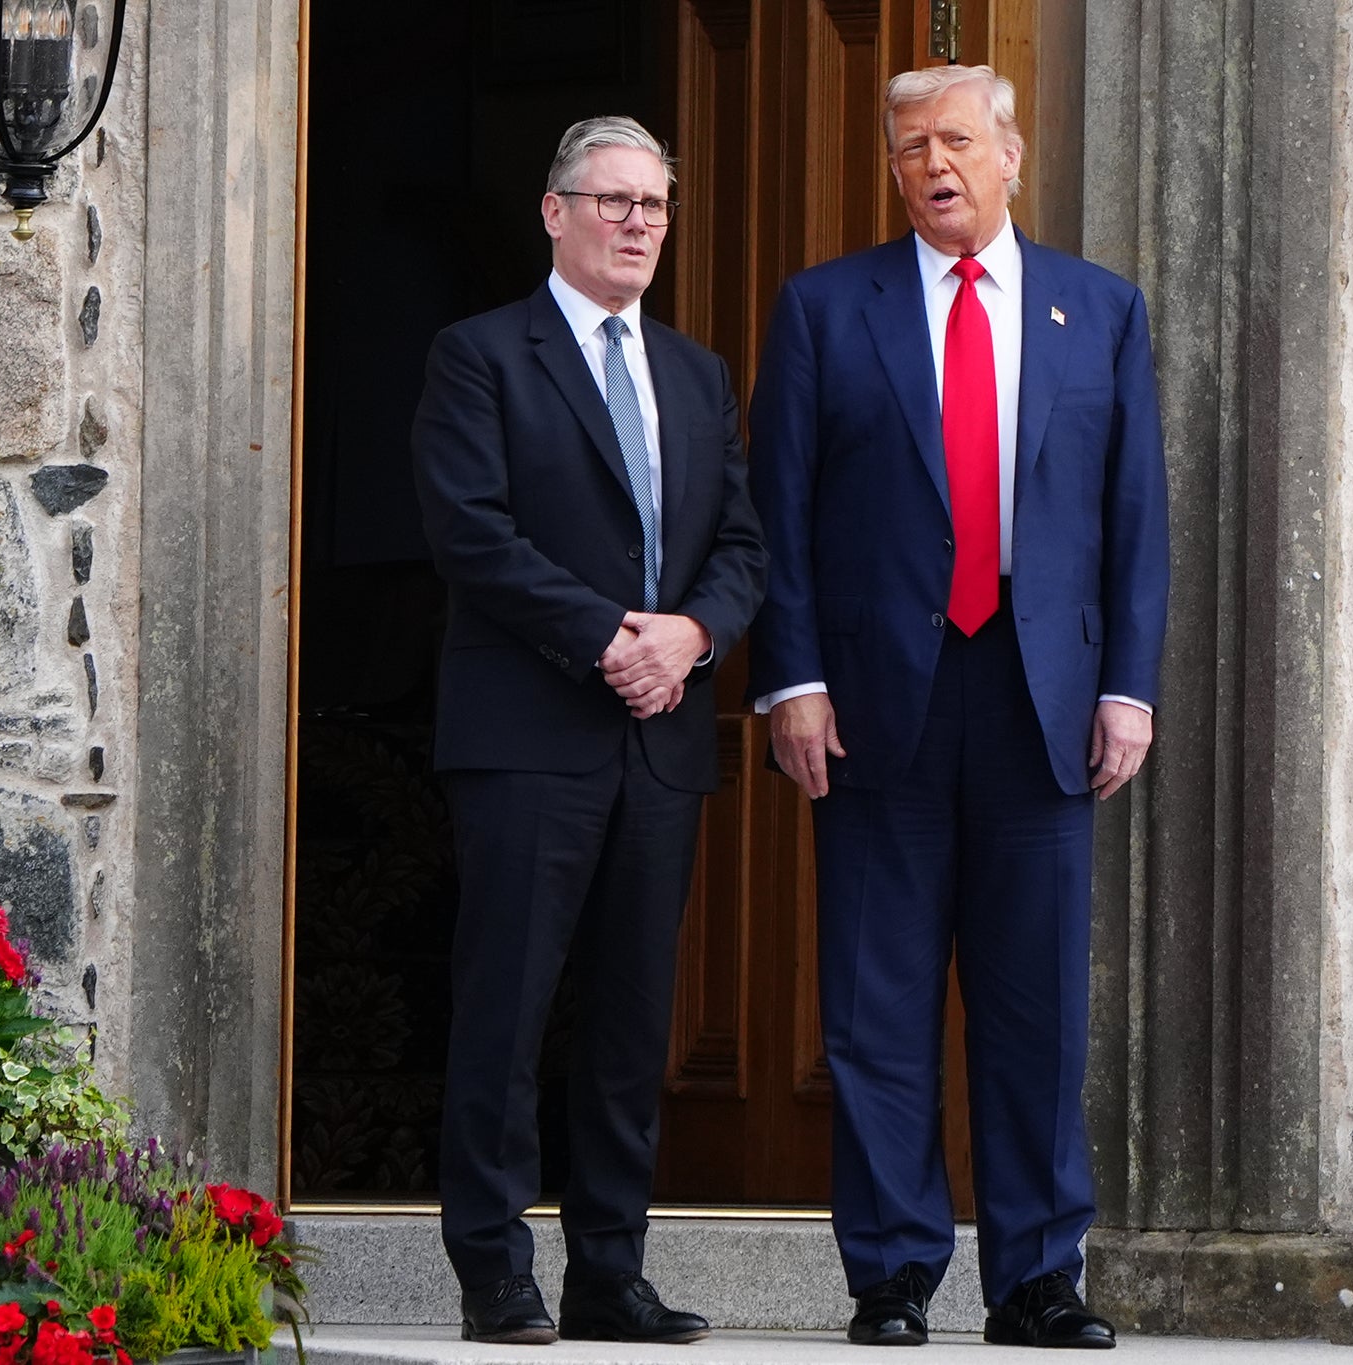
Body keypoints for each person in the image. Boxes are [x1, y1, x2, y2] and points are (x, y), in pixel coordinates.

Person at [746, 65, 1169, 1350]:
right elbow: (782, 513)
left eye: (955, 142)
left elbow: (1132, 520)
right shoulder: (826, 308)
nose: (932, 165)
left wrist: (1127, 688)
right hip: (877, 706)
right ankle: (890, 1276)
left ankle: (1037, 1279)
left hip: (1043, 699)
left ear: (1010, 155)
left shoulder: (1099, 311)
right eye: (908, 149)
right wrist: (792, 680)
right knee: (876, 1008)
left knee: (1035, 1005)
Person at [413, 115, 766, 1347]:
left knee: (632, 1021)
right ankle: (492, 1273)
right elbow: (470, 533)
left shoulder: (695, 372)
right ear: (553, 212)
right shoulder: (479, 356)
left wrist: (692, 638)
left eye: (653, 205)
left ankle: (609, 1272)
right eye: (610, 200)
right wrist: (613, 636)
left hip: (662, 738)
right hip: (528, 733)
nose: (635, 223)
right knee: (505, 1011)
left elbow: (740, 545)